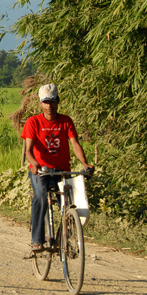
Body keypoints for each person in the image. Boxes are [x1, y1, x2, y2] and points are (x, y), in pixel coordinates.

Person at [22, 84, 94, 254]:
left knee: (71, 203)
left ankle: (65, 237)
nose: (49, 105)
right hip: (42, 171)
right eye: (46, 102)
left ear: (58, 102)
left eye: (52, 101)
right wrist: (34, 164)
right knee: (40, 196)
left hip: (62, 170)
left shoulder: (66, 121)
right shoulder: (33, 122)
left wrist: (84, 163)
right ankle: (37, 240)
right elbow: (28, 150)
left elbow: (75, 144)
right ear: (40, 103)